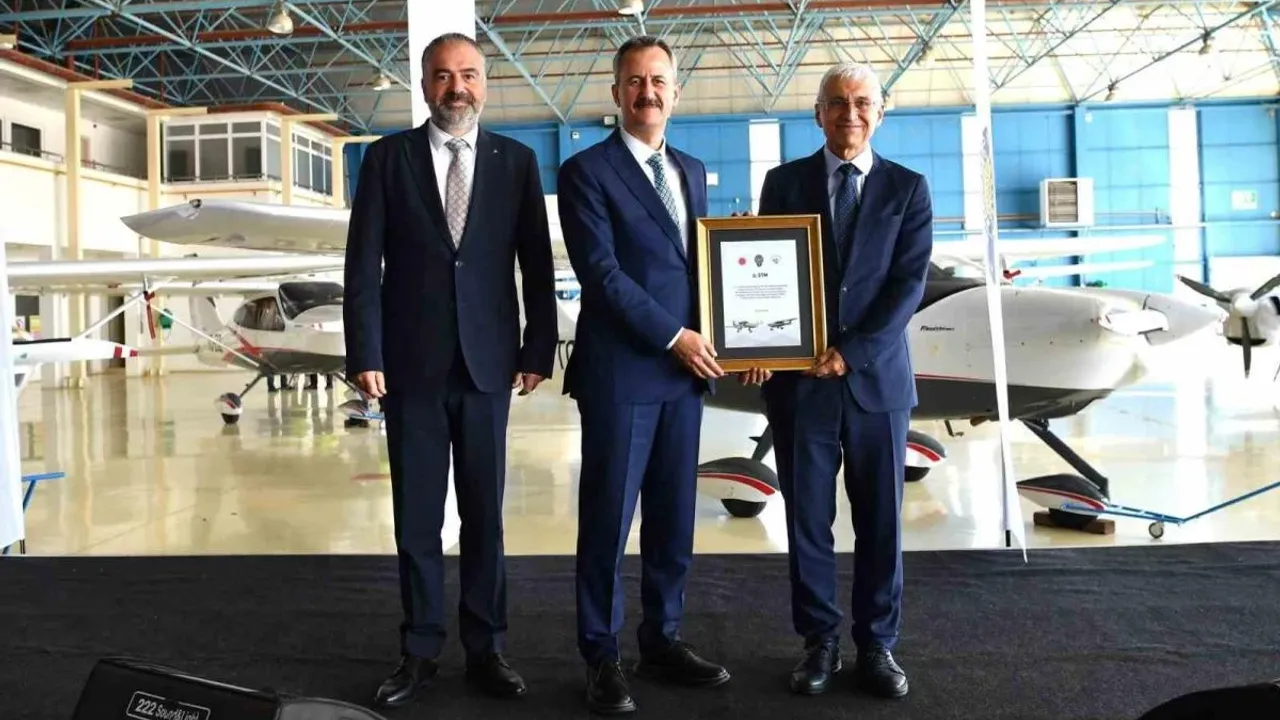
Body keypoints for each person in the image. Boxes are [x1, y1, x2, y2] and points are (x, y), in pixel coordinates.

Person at [342, 31, 558, 709]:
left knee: (486, 516)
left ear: (484, 83)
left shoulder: (517, 162)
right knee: (416, 518)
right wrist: (365, 352)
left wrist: (538, 349)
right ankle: (420, 649)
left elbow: (536, 264)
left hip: (490, 366)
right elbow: (362, 265)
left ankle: (487, 647)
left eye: (467, 74)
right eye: (442, 75)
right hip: (410, 368)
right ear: (424, 84)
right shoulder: (387, 160)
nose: (456, 87)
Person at [557, 35, 768, 715]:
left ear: (676, 92)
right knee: (608, 521)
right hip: (623, 374)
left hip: (683, 379)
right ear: (616, 93)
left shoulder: (692, 169)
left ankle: (662, 639)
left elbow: (699, 270)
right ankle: (601, 656)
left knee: (674, 520)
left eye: (658, 81)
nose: (647, 92)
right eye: (635, 81)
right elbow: (602, 274)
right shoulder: (586, 171)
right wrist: (676, 336)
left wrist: (748, 329)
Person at [755, 61, 933, 699]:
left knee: (881, 521)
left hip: (875, 383)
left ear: (880, 112)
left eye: (861, 103)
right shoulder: (783, 183)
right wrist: (755, 338)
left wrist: (850, 354)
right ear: (818, 114)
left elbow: (907, 285)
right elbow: (766, 274)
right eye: (836, 102)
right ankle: (820, 642)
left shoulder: (908, 189)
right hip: (800, 385)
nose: (848, 114)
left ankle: (878, 645)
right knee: (807, 520)